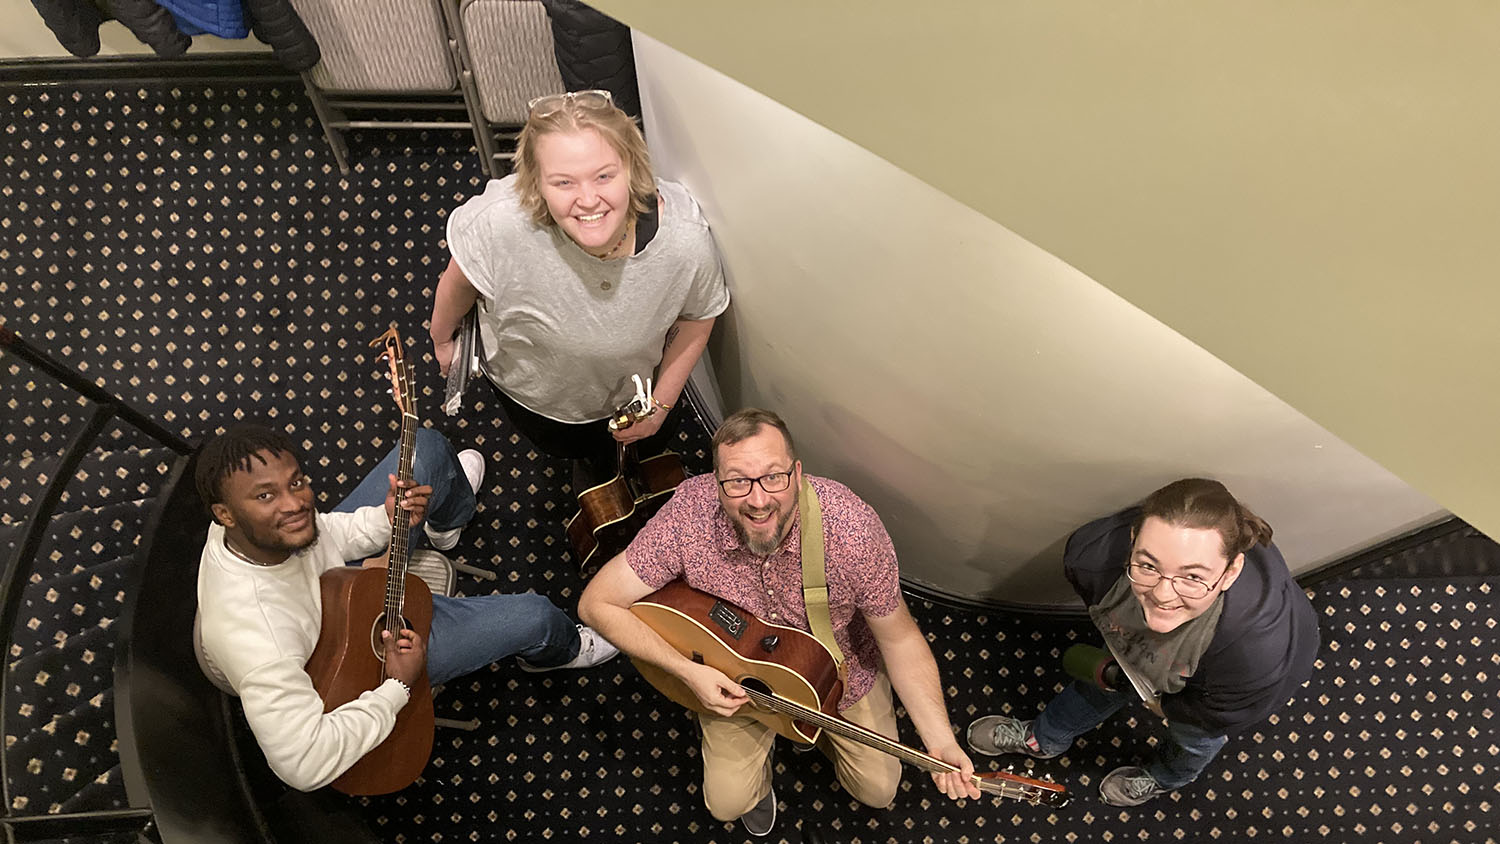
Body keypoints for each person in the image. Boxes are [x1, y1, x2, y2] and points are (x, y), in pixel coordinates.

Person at [578, 409, 980, 837]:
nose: (757, 500)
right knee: (725, 805)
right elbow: (596, 604)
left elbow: (899, 640)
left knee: (878, 790)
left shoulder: (851, 533)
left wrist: (941, 741)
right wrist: (689, 673)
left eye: (774, 477)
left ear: (797, 473)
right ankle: (767, 764)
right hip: (734, 680)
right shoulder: (688, 517)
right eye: (737, 481)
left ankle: (808, 730)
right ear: (716, 483)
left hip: (837, 676)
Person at [193, 423, 619, 792]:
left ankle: (446, 524)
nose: (295, 504)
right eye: (267, 496)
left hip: (335, 591)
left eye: (298, 482)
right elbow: (303, 764)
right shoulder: (259, 636)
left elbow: (327, 536)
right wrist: (396, 688)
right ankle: (560, 652)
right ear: (224, 514)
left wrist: (386, 519)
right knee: (537, 617)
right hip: (335, 655)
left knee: (427, 449)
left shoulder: (270, 530)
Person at [429, 89, 730, 484]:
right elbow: (460, 277)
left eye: (604, 176)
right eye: (564, 182)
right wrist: (441, 338)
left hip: (632, 393)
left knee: (645, 451)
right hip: (531, 392)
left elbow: (698, 316)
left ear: (633, 167)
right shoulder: (498, 221)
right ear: (536, 182)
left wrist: (660, 406)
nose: (588, 200)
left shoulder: (684, 242)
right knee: (572, 450)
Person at [966, 478, 1319, 806]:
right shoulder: (1090, 560)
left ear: (1230, 573)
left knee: (1192, 740)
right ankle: (1044, 739)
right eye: (1148, 566)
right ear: (1133, 540)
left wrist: (1166, 708)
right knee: (1099, 683)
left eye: (1192, 576)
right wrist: (1131, 671)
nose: (1162, 595)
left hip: (1223, 683)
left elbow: (1218, 714)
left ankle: (1165, 778)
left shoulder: (1253, 653)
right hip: (1143, 650)